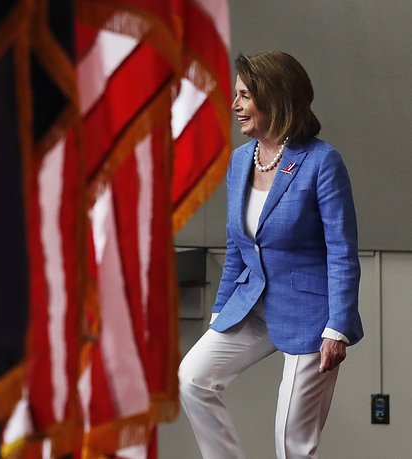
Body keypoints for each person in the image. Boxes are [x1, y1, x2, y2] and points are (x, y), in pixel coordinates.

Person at [178, 51, 363, 459]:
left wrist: (339, 327)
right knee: (193, 377)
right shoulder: (241, 161)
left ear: (275, 100)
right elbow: (238, 247)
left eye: (245, 95)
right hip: (252, 303)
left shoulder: (322, 162)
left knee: (291, 444)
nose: (235, 106)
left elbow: (342, 252)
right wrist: (219, 313)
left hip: (312, 313)